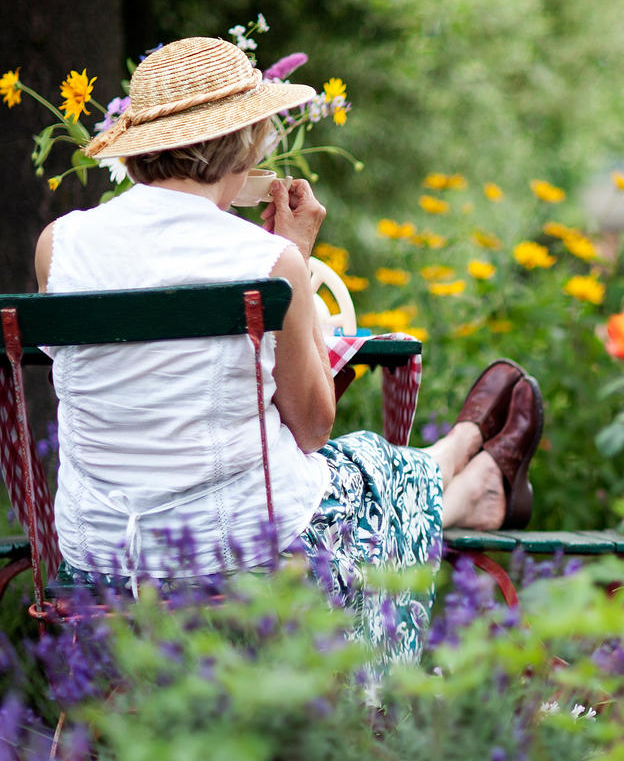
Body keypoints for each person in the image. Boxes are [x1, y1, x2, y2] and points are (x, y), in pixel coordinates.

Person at [34, 35, 542, 693]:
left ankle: (467, 473)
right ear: (246, 145)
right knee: (363, 463)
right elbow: (309, 429)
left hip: (99, 549)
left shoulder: (60, 244)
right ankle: (463, 469)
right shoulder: (265, 262)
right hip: (237, 548)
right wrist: (293, 260)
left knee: (356, 473)